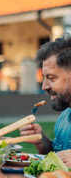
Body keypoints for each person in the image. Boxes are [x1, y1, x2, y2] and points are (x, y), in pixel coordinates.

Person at [19, 34, 71, 167]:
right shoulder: (65, 118)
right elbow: (58, 159)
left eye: (51, 78)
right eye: (44, 78)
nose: (44, 86)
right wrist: (41, 141)